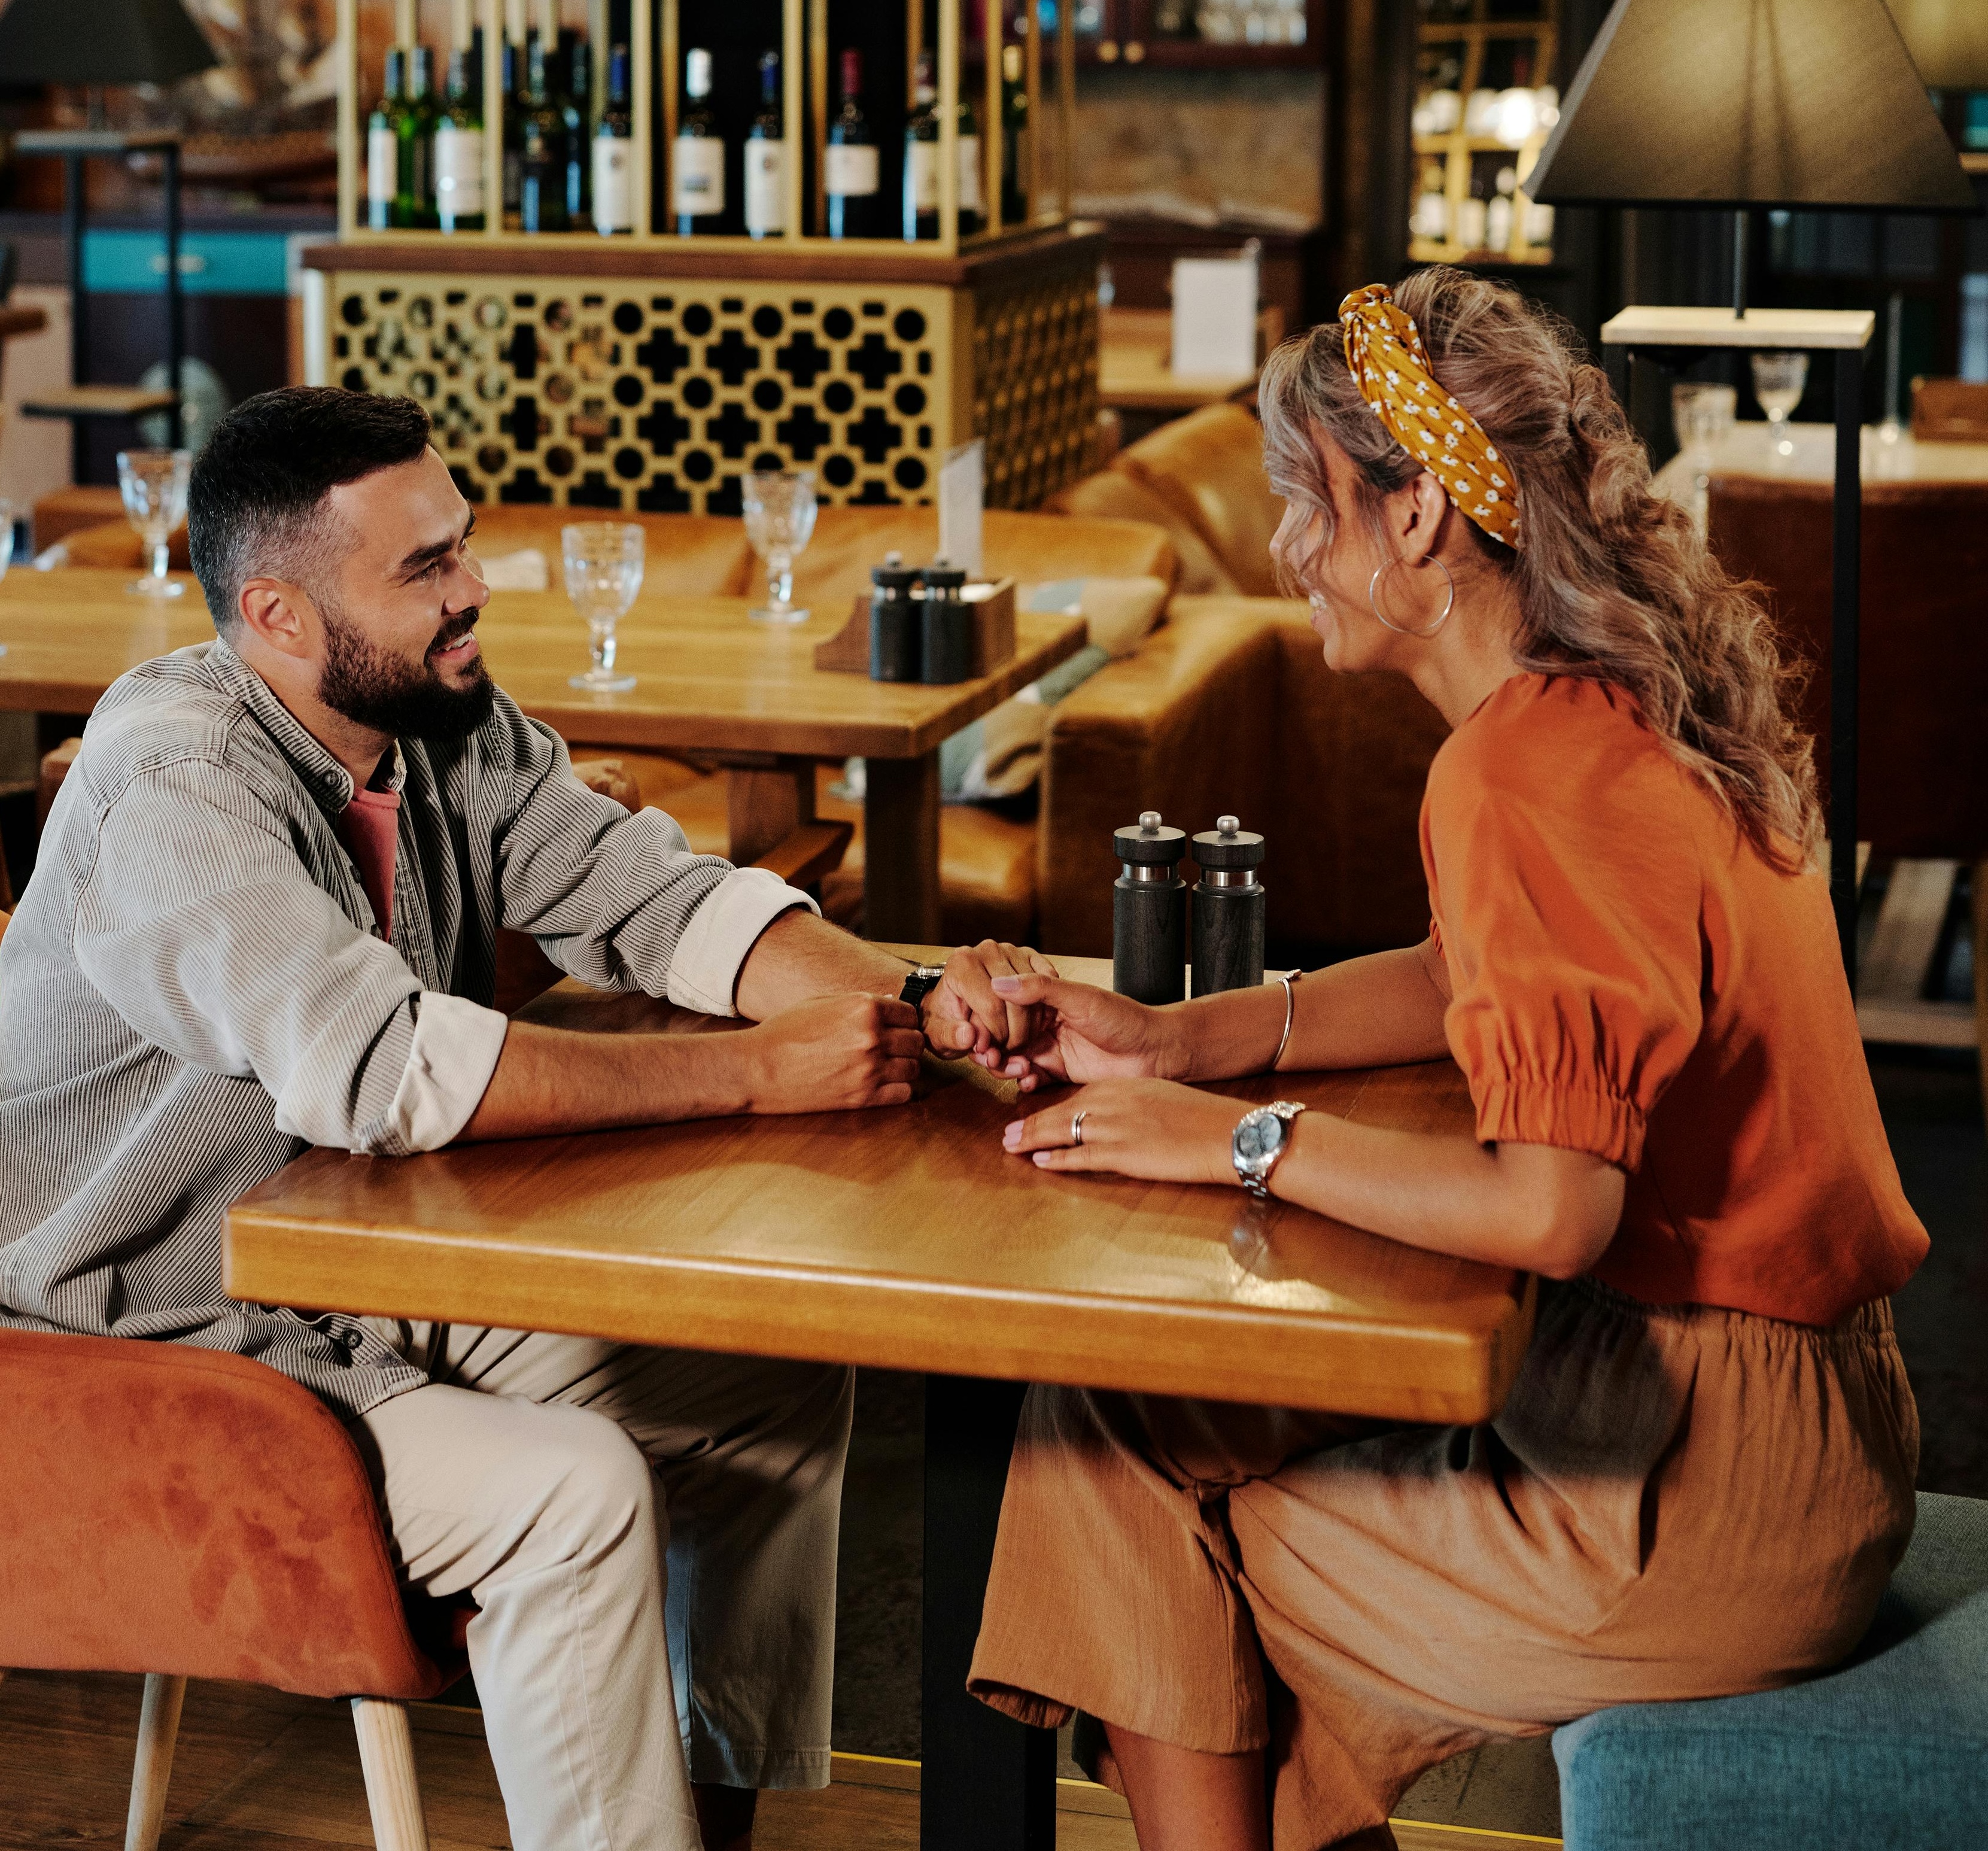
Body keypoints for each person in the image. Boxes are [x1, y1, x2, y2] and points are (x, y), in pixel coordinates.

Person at [957, 272, 1930, 1851]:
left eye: (1305, 499)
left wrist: (1236, 1138)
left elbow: (1554, 1214)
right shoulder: (1600, 707)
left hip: (1703, 1485)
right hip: (1794, 1415)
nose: (1287, 546)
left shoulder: (1520, 771)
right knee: (1119, 1420)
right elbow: (1479, 973)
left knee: (1146, 1516)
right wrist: (1183, 1036)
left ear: (1417, 520)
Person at [0, 386, 1048, 1851]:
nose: (474, 589)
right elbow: (386, 1069)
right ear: (278, 611)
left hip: (347, 1284)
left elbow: (658, 897)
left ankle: (693, 1807)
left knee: (770, 1371)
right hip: (138, 1344)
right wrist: (760, 1071)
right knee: (577, 1494)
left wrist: (910, 1000)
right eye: (422, 567)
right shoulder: (175, 780)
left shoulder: (435, 722)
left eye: (463, 546)